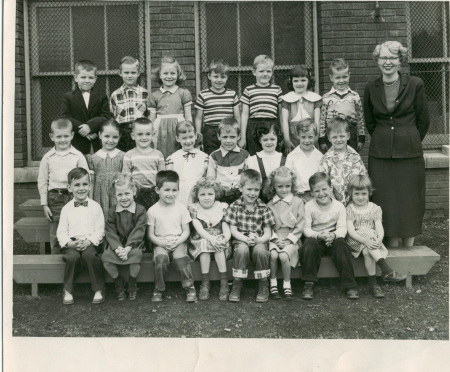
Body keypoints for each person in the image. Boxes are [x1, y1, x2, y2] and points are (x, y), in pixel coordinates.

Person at [364, 41, 430, 248]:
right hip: (381, 155)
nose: (387, 62)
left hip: (410, 154)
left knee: (410, 200)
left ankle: (409, 248)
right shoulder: (371, 87)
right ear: (377, 61)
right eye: (383, 58)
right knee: (386, 202)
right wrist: (386, 140)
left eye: (392, 58)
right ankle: (391, 246)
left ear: (400, 61)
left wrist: (408, 139)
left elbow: (423, 120)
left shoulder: (415, 84)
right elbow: (370, 122)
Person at [299, 172, 359, 300]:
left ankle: (349, 284)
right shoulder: (309, 206)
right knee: (308, 244)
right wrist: (319, 236)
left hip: (334, 238)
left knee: (342, 245)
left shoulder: (339, 206)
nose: (321, 193)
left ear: (331, 188)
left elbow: (342, 228)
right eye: (316, 191)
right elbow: (306, 229)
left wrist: (334, 235)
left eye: (324, 189)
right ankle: (309, 282)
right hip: (316, 239)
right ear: (311, 193)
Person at [346, 175, 407, 298]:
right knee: (365, 231)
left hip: (371, 242)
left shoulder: (375, 208)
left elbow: (379, 227)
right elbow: (351, 231)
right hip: (355, 240)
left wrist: (379, 240)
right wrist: (365, 240)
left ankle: (373, 284)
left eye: (363, 193)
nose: (360, 197)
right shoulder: (349, 209)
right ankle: (386, 269)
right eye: (356, 194)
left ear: (369, 192)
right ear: (351, 194)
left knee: (368, 253)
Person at [37, 118, 89, 254]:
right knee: (56, 230)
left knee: (75, 226)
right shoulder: (48, 157)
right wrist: (44, 204)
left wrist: (85, 199)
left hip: (75, 196)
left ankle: (73, 256)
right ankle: (55, 257)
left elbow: (86, 179)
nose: (63, 140)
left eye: (66, 136)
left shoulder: (78, 156)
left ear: (72, 135)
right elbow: (42, 181)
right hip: (55, 197)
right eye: (59, 136)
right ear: (51, 137)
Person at [224, 169, 276, 303]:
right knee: (242, 250)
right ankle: (237, 283)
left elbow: (268, 233)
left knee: (261, 251)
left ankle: (263, 284)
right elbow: (233, 230)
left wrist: (259, 240)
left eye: (256, 190)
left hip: (259, 239)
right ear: (241, 188)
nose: (253, 193)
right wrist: (246, 239)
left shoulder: (264, 208)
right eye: (249, 189)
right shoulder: (234, 207)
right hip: (241, 239)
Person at [57, 168, 105, 305]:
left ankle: (98, 289)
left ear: (90, 186)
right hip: (72, 244)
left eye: (85, 184)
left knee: (90, 256)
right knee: (73, 257)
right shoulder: (66, 209)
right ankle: (68, 290)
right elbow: (61, 232)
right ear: (69, 188)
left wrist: (89, 242)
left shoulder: (96, 207)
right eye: (77, 185)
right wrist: (69, 243)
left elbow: (100, 230)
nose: (81, 188)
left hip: (90, 243)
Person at [147, 170, 197, 302]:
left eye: (174, 190)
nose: (171, 194)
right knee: (161, 259)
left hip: (178, 241)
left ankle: (189, 286)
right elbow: (150, 234)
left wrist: (178, 242)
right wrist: (162, 243)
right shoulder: (152, 210)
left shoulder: (181, 209)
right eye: (167, 190)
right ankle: (159, 288)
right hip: (160, 242)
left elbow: (186, 231)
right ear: (157, 190)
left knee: (181, 259)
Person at [102, 174, 146, 301]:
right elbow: (110, 232)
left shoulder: (140, 210)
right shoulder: (112, 211)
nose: (124, 198)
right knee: (106, 258)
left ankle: (132, 284)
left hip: (134, 244)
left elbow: (139, 230)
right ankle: (118, 283)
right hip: (117, 245)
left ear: (134, 192)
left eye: (127, 193)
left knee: (136, 256)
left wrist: (127, 248)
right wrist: (117, 248)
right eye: (119, 195)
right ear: (115, 195)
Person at [188, 177, 231, 301]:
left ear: (215, 194)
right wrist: (211, 239)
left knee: (219, 244)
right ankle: (205, 282)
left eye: (210, 194)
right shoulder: (194, 208)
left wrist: (224, 239)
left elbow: (226, 228)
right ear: (197, 195)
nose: (206, 197)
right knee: (204, 245)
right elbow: (199, 229)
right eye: (202, 194)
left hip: (219, 238)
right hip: (201, 238)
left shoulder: (222, 207)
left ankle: (224, 282)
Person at [266, 167, 305, 301]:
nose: (284, 189)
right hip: (275, 237)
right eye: (280, 186)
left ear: (292, 185)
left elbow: (300, 225)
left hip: (291, 238)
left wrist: (288, 241)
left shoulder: (298, 202)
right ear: (273, 186)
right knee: (273, 254)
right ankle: (273, 283)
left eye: (287, 186)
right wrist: (276, 239)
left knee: (283, 256)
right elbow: (268, 225)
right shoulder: (270, 204)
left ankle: (287, 284)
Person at [61, 60, 110, 154]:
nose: (87, 81)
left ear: (95, 79)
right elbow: (66, 117)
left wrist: (90, 127)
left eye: (90, 77)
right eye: (83, 77)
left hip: (96, 139)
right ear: (76, 78)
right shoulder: (68, 97)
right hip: (77, 140)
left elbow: (105, 116)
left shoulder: (102, 96)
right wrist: (83, 130)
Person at [149, 57, 193, 159]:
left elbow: (188, 117)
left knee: (179, 153)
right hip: (160, 129)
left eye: (173, 73)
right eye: (165, 73)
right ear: (160, 75)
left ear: (178, 74)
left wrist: (190, 131)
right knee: (160, 152)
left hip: (178, 126)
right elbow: (152, 118)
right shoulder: (155, 95)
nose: (169, 76)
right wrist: (150, 132)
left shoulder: (183, 93)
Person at [319, 58, 366, 153]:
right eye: (337, 78)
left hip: (350, 135)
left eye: (344, 77)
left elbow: (360, 118)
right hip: (332, 135)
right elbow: (322, 120)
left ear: (349, 75)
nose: (341, 81)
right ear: (331, 78)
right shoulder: (326, 98)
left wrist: (361, 137)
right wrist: (322, 139)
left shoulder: (354, 96)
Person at [195, 59, 240, 155]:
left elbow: (237, 117)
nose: (219, 80)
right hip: (210, 132)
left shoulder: (232, 94)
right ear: (209, 76)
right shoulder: (203, 95)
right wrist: (198, 136)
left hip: (228, 131)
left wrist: (237, 133)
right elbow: (199, 118)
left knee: (230, 155)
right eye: (215, 76)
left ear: (227, 77)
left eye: (222, 77)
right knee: (212, 156)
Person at [239, 55, 283, 155]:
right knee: (254, 155)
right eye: (261, 71)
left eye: (268, 71)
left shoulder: (277, 89)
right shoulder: (248, 90)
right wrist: (243, 137)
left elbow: (281, 113)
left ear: (272, 72)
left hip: (271, 124)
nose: (265, 74)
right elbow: (245, 114)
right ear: (254, 72)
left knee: (271, 153)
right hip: (253, 125)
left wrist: (281, 133)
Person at [320, 116, 367, 206]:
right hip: (333, 204)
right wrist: (334, 203)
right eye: (334, 137)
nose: (338, 140)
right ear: (329, 138)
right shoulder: (326, 159)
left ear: (348, 136)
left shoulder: (355, 156)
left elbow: (363, 179)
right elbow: (323, 183)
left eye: (342, 136)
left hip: (355, 203)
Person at [122, 118, 165, 210]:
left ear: (153, 135)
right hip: (136, 194)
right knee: (138, 219)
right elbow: (127, 177)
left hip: (154, 194)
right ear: (133, 136)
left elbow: (162, 177)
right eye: (140, 134)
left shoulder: (158, 154)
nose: (144, 138)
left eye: (148, 134)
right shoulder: (129, 155)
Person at [110, 56, 149, 152]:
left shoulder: (145, 94)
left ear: (138, 73)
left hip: (140, 132)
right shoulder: (115, 94)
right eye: (126, 72)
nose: (130, 75)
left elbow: (148, 115)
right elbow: (113, 117)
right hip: (122, 132)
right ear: (120, 73)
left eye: (133, 72)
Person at [207, 117, 249, 205]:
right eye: (225, 137)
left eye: (232, 137)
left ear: (239, 137)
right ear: (219, 136)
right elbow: (210, 179)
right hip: (221, 198)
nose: (228, 141)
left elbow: (248, 178)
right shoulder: (214, 156)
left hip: (240, 196)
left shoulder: (245, 155)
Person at [87, 119, 125, 218]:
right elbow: (92, 182)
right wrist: (90, 201)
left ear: (120, 137)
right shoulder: (93, 158)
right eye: (107, 136)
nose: (110, 140)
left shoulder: (123, 156)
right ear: (100, 135)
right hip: (99, 196)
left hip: (117, 196)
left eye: (115, 137)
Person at [165, 121, 209, 206]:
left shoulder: (203, 157)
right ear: (178, 138)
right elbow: (169, 178)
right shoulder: (173, 158)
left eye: (191, 137)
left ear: (195, 136)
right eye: (184, 138)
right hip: (180, 192)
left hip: (197, 191)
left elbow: (206, 177)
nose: (188, 141)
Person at [281, 65, 322, 153]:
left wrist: (316, 138)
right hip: (292, 137)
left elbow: (317, 120)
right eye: (296, 81)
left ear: (309, 81)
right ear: (291, 81)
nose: (299, 84)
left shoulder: (315, 98)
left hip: (310, 136)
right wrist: (287, 140)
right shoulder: (286, 99)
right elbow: (284, 121)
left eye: (303, 80)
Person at [245, 121, 286, 203]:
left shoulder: (285, 160)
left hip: (281, 202)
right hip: (259, 203)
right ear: (260, 140)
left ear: (277, 138)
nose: (269, 142)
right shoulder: (252, 160)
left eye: (272, 139)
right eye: (265, 139)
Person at [285, 118, 323, 203]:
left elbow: (321, 178)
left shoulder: (320, 156)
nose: (307, 141)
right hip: (298, 196)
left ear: (315, 136)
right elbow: (288, 177)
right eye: (303, 137)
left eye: (310, 137)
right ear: (298, 136)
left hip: (315, 196)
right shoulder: (292, 156)